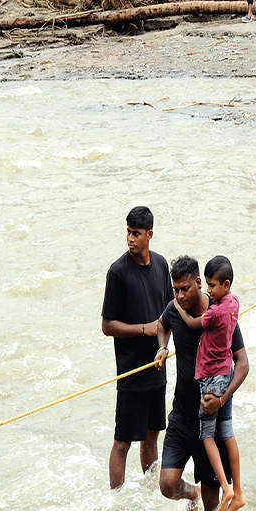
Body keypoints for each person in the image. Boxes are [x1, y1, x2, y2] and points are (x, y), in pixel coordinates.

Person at [154, 255, 250, 511]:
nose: (180, 296)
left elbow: (242, 364)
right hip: (182, 414)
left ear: (199, 283)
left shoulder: (219, 314)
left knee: (211, 508)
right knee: (167, 484)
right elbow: (162, 325)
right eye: (176, 290)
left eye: (185, 289)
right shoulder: (174, 309)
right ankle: (191, 493)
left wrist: (222, 399)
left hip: (210, 416)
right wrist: (162, 347)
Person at [100, 206, 171, 489]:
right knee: (122, 441)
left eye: (136, 233)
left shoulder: (162, 265)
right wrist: (144, 329)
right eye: (128, 232)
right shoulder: (117, 272)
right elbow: (107, 325)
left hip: (157, 366)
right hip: (130, 370)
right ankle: (115, 500)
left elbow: (169, 313)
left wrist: (164, 344)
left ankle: (150, 489)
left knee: (152, 434)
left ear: (149, 234)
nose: (131, 239)